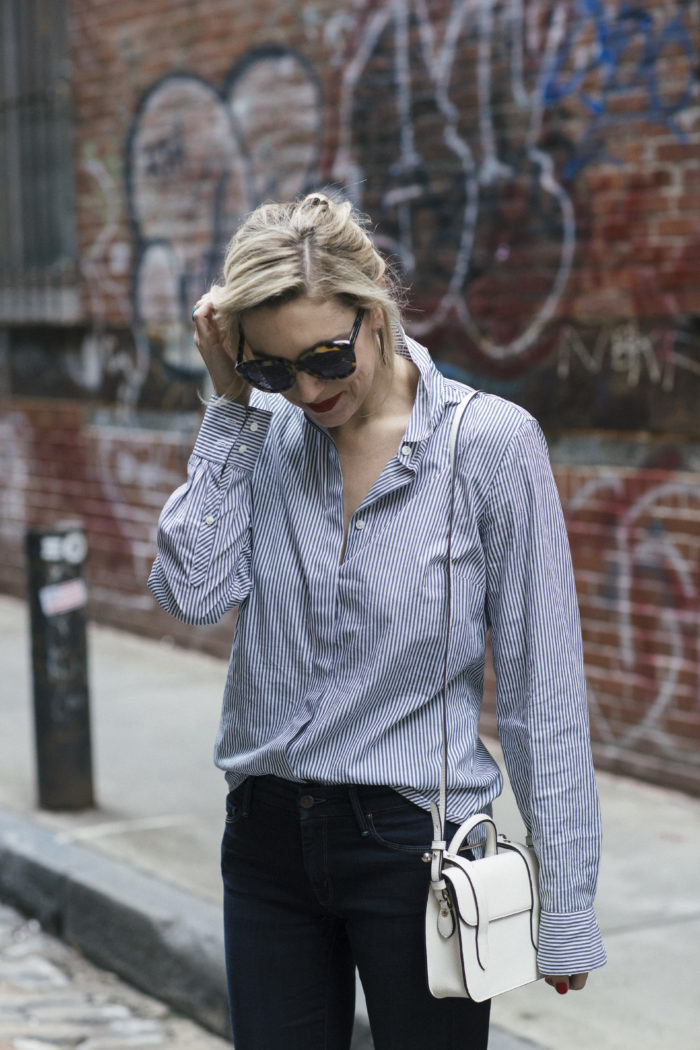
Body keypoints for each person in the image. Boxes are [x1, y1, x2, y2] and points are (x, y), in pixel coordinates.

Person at [148, 191, 606, 1050]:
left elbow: (544, 685)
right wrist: (230, 408)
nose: (310, 390)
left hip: (417, 851)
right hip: (266, 838)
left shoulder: (490, 446)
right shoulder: (263, 436)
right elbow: (194, 594)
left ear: (375, 310)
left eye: (327, 356)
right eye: (276, 368)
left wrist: (568, 900)